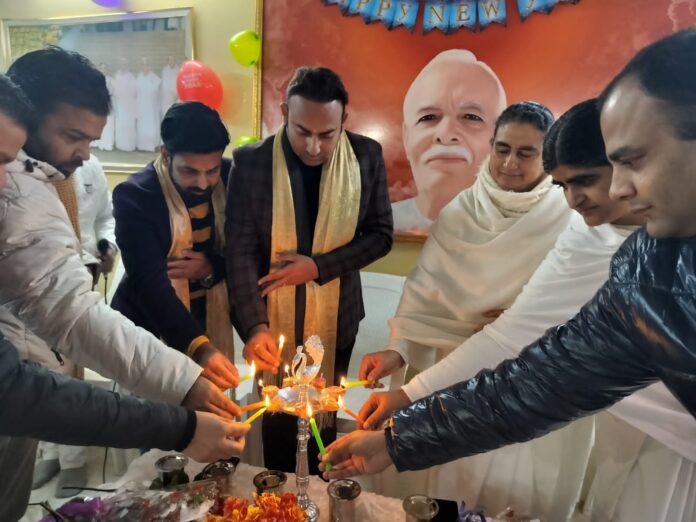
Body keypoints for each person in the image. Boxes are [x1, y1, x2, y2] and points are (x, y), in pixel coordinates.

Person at [321, 29, 696, 522]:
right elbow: (540, 374)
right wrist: (402, 429)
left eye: (633, 161)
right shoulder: (645, 264)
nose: (620, 189)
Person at [0, 48, 241, 520]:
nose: (85, 153)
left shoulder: (45, 172)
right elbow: (75, 315)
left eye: (91, 139)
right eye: (73, 136)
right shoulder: (21, 184)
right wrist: (187, 382)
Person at [358, 101, 578, 518]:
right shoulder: (460, 212)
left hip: (523, 380)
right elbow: (424, 293)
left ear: (549, 157)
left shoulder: (567, 216)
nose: (509, 163)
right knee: (444, 491)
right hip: (448, 375)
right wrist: (398, 350)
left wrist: (521, 323)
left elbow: (578, 308)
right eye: (502, 148)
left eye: (526, 152)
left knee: (505, 498)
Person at [227, 66, 393, 474]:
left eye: (327, 134)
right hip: (272, 319)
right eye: (303, 132)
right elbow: (240, 251)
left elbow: (380, 235)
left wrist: (317, 267)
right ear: (284, 112)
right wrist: (254, 326)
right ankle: (280, 497)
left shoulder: (366, 156)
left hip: (337, 318)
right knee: (279, 419)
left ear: (344, 122)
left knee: (324, 414)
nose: (314, 148)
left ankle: (321, 490)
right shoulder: (251, 162)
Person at [112, 101, 238, 391]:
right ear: (165, 155)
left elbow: (246, 252)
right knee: (155, 416)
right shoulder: (135, 196)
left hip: (209, 315)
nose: (204, 183)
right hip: (149, 324)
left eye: (212, 170)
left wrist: (212, 267)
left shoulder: (234, 178)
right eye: (190, 172)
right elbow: (149, 283)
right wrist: (200, 348)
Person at [32, 153, 120, 495]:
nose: (83, 148)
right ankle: (48, 452)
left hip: (80, 272)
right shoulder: (22, 167)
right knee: (39, 370)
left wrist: (106, 245)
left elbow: (104, 217)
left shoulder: (90, 166)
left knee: (69, 369)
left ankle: (73, 459)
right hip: (33, 276)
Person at [391, 49, 507, 233]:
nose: (445, 135)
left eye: (470, 117)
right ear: (406, 139)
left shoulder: (522, 232)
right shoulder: (380, 226)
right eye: (428, 117)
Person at [136, 57, 161, 151]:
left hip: (151, 106)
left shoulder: (154, 77)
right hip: (142, 106)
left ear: (149, 66)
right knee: (142, 126)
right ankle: (142, 146)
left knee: (151, 126)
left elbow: (156, 90)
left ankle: (151, 146)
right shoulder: (139, 76)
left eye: (146, 65)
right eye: (143, 66)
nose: (144, 68)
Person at [113, 57, 137, 152]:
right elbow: (115, 90)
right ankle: (120, 145)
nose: (123, 66)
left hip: (129, 105)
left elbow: (134, 91)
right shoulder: (117, 75)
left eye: (125, 64)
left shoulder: (131, 76)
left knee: (128, 125)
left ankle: (129, 146)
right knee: (120, 125)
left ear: (127, 65)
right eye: (122, 64)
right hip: (120, 104)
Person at [93, 62, 115, 151]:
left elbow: (112, 92)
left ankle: (107, 144)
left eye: (104, 68)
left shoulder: (110, 80)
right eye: (101, 68)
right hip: (98, 104)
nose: (103, 70)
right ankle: (100, 144)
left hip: (107, 104)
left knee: (108, 125)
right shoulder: (95, 80)